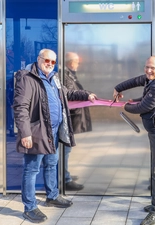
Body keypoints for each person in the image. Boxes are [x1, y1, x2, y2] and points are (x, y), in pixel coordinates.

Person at [13, 49, 97, 223]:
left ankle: (52, 196)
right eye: (47, 60)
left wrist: (86, 94)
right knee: (32, 169)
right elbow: (20, 107)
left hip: (53, 132)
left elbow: (68, 94)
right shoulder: (27, 77)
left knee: (52, 164)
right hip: (37, 132)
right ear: (38, 59)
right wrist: (25, 133)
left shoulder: (54, 78)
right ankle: (30, 207)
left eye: (53, 62)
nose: (50, 64)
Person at [113, 56, 155, 225]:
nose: (148, 70)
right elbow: (136, 80)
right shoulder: (153, 78)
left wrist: (125, 106)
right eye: (147, 67)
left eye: (152, 68)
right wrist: (118, 88)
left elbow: (143, 107)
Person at [62, 52, 95, 191]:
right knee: (65, 148)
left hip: (70, 116)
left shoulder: (68, 74)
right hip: (67, 117)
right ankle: (64, 178)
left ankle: (64, 174)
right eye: (77, 62)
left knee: (66, 148)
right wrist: (86, 95)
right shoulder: (65, 75)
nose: (78, 65)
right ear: (71, 62)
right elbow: (69, 94)